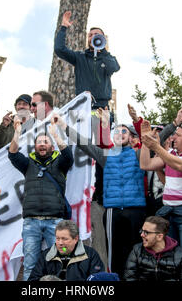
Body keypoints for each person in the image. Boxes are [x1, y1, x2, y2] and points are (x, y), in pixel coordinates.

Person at [59, 112, 147, 279]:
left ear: (131, 137)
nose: (120, 134)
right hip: (113, 211)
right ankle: (116, 278)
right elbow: (84, 143)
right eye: (117, 132)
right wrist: (64, 126)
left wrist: (139, 122)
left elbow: (153, 141)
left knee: (137, 249)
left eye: (124, 132)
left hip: (136, 211)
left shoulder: (138, 154)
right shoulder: (105, 156)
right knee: (114, 251)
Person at [8, 116, 74, 281]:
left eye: (46, 141)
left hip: (55, 222)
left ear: (51, 146)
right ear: (35, 146)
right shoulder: (28, 164)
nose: (43, 144)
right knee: (30, 264)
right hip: (31, 222)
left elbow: (68, 156)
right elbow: (12, 154)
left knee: (57, 263)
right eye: (39, 142)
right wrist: (17, 132)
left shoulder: (60, 163)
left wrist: (56, 135)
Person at [139, 118, 182, 268]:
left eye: (177, 135)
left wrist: (157, 147)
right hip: (169, 212)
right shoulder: (170, 154)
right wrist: (146, 141)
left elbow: (181, 165)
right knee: (168, 256)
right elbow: (145, 164)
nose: (173, 137)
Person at [54, 11, 120, 110]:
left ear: (103, 39)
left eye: (96, 35)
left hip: (102, 107)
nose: (93, 37)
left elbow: (114, 67)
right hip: (82, 106)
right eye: (90, 35)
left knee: (102, 126)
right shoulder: (80, 57)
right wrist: (63, 27)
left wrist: (102, 51)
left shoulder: (107, 57)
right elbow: (59, 49)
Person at [28, 220, 104, 281]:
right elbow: (33, 279)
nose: (60, 243)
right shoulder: (47, 255)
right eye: (58, 239)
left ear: (75, 239)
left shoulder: (91, 255)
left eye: (64, 239)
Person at [124, 216, 182, 281]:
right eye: (142, 231)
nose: (141, 235)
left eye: (146, 232)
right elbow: (129, 278)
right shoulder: (137, 250)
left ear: (159, 236)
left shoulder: (181, 255)